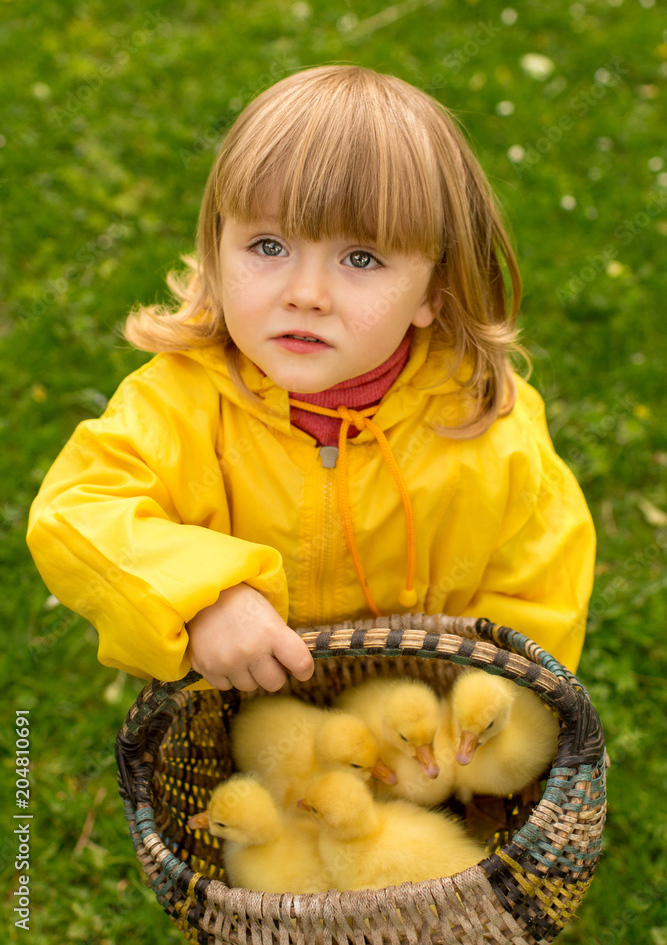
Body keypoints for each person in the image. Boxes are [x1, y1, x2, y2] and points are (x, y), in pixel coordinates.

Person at [26, 64, 596, 694]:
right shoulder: (179, 401)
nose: (306, 294)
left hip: (421, 731)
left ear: (433, 290)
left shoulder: (486, 429)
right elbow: (77, 514)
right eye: (269, 246)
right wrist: (203, 596)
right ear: (217, 248)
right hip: (234, 710)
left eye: (361, 258)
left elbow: (541, 588)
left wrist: (483, 705)